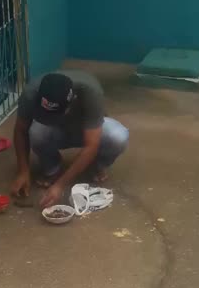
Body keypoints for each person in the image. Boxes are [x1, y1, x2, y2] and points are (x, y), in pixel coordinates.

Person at [11, 70, 129, 208]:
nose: (50, 118)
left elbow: (92, 145)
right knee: (36, 132)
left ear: (73, 100)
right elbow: (20, 130)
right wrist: (23, 171)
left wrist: (60, 186)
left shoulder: (91, 92)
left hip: (87, 129)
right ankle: (52, 169)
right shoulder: (30, 93)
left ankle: (96, 165)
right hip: (55, 131)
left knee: (118, 136)